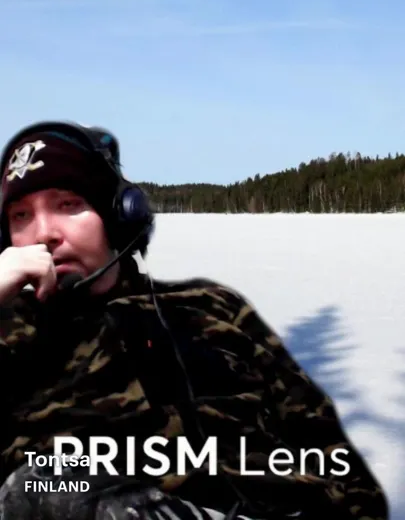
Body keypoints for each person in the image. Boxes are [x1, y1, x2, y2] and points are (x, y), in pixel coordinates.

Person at [0, 120, 388, 520]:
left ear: (117, 215)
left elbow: (333, 458)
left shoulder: (212, 307)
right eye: (20, 215)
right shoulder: (10, 331)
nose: (43, 233)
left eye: (68, 204)